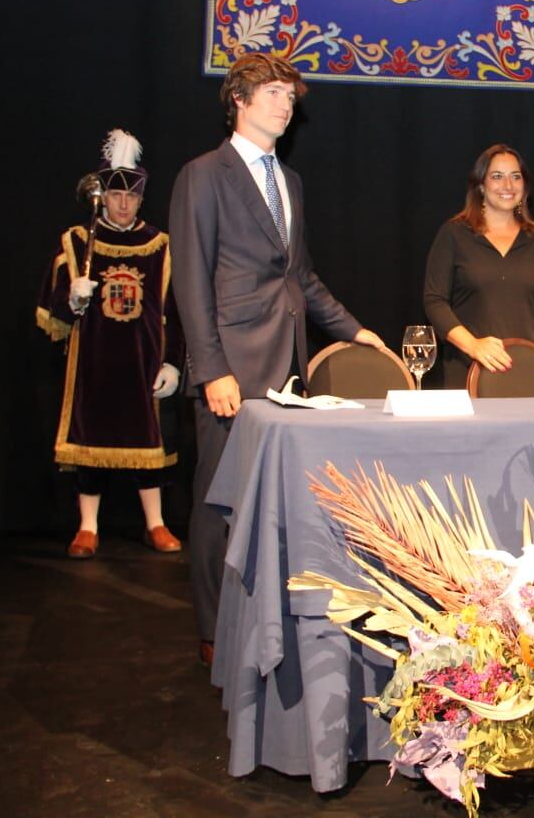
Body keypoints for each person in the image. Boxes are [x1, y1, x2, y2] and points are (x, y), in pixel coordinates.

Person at [169, 52, 384, 664]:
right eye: (272, 92)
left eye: (291, 96)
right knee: (218, 502)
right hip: (232, 369)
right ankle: (213, 631)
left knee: (272, 502)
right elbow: (190, 280)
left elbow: (301, 279)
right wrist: (211, 369)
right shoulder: (203, 175)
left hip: (288, 367)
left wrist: (356, 330)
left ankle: (260, 619)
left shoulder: (289, 182)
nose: (285, 105)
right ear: (238, 98)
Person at [35, 129, 184, 559]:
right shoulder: (79, 242)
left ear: (141, 199)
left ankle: (155, 523)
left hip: (143, 363)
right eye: (116, 197)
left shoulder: (160, 246)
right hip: (94, 362)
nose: (124, 205)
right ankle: (87, 526)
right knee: (90, 443)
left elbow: (176, 313)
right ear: (103, 197)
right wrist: (72, 298)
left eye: (132, 198)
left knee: (148, 447)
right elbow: (52, 315)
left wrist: (173, 363)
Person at [423, 144, 534, 389]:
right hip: (469, 372)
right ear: (481, 185)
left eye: (516, 176)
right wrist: (473, 345)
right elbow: (434, 301)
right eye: (497, 176)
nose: (508, 185)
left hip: (533, 372)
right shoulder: (453, 234)